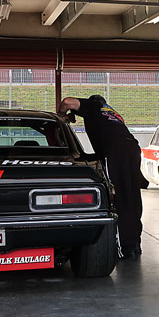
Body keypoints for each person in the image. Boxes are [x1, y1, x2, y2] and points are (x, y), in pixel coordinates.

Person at [58, 95, 143, 259]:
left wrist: (61, 115)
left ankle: (124, 248)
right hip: (132, 149)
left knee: (118, 197)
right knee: (132, 196)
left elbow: (67, 102)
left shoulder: (93, 105)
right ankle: (134, 245)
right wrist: (73, 116)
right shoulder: (112, 114)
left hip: (115, 152)